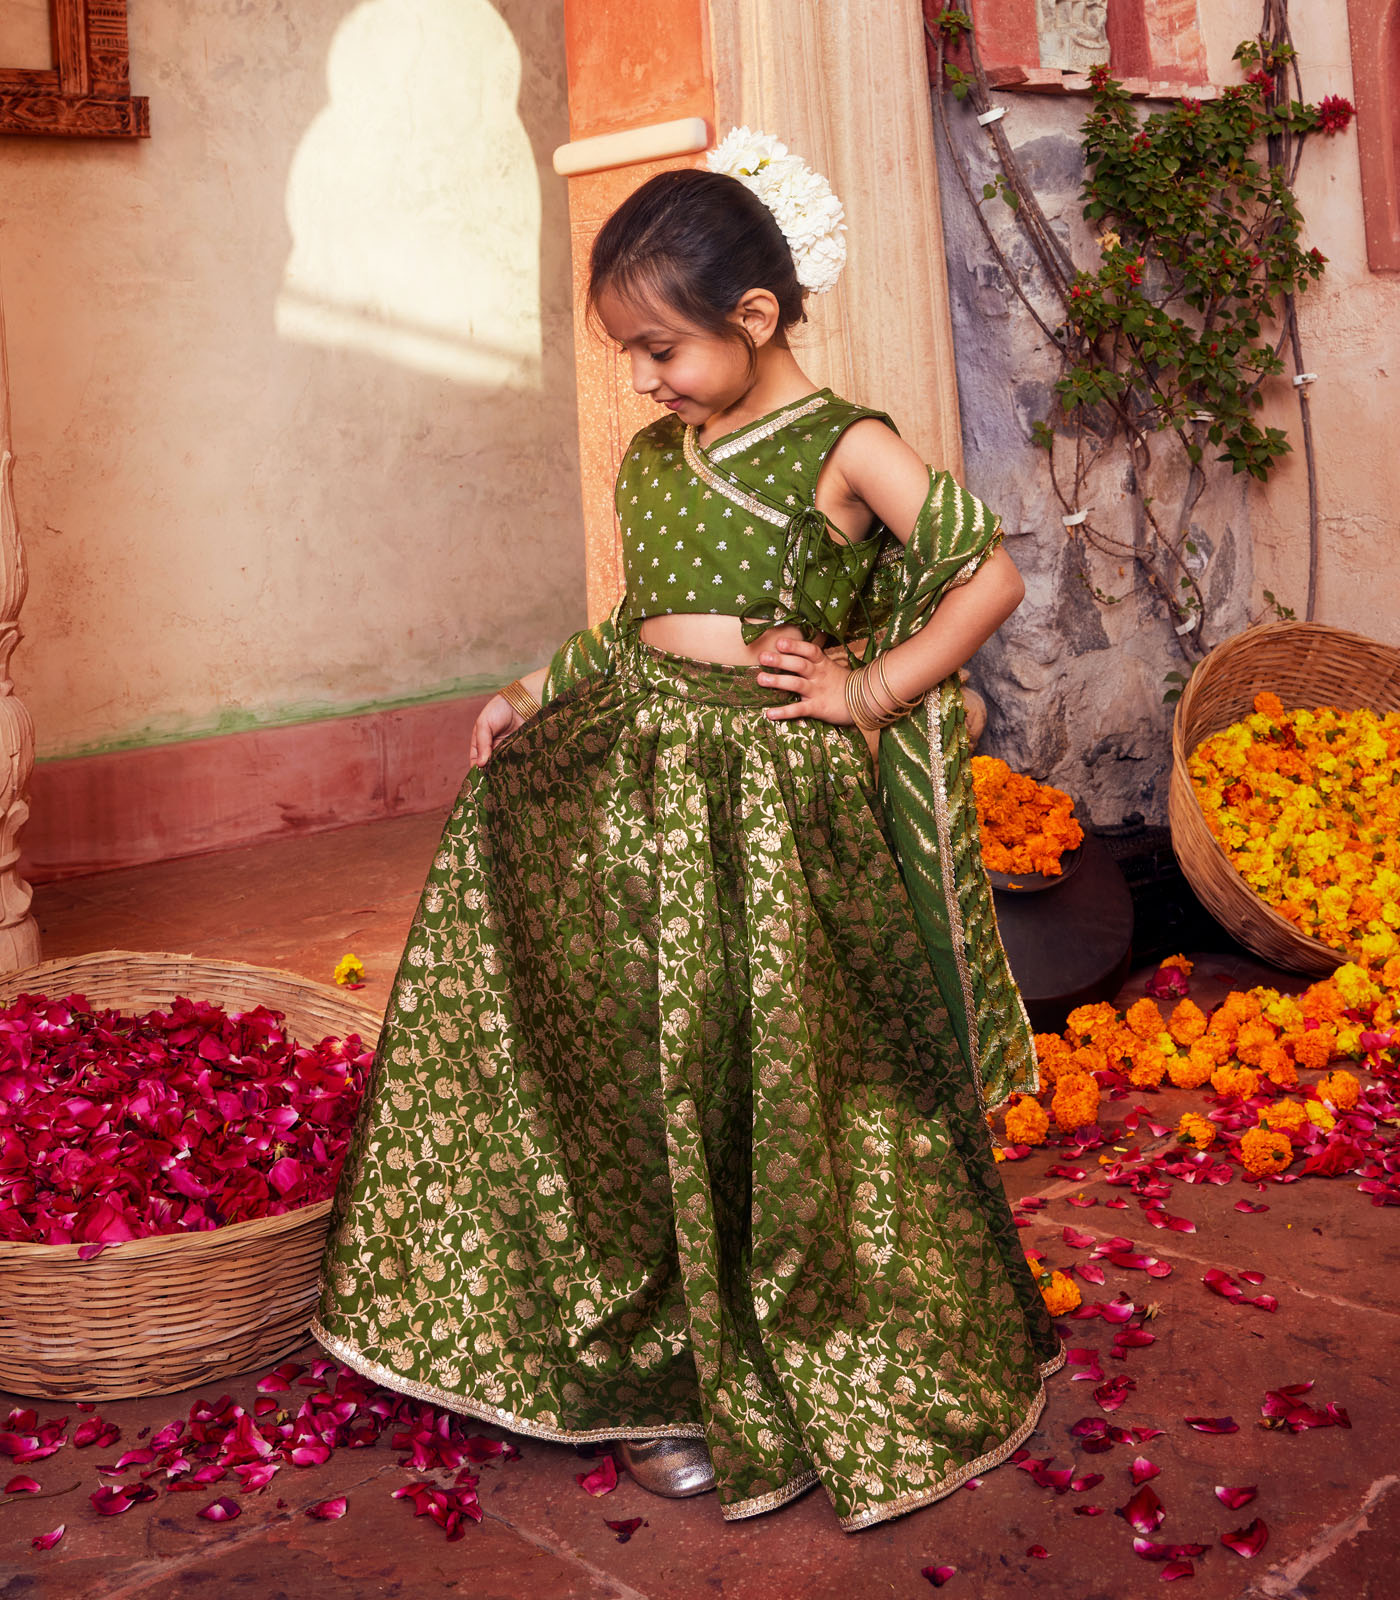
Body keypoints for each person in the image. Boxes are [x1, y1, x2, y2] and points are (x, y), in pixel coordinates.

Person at [314, 129, 1064, 1534]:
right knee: (634, 1064)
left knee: (761, 1080)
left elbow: (990, 571)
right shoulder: (662, 460)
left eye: (662, 349)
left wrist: (871, 690)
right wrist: (537, 688)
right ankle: (655, 1367)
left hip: (771, 819)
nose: (646, 381)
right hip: (630, 795)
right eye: (628, 356)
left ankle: (783, 1358)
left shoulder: (849, 444)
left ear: (757, 317)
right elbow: (634, 621)